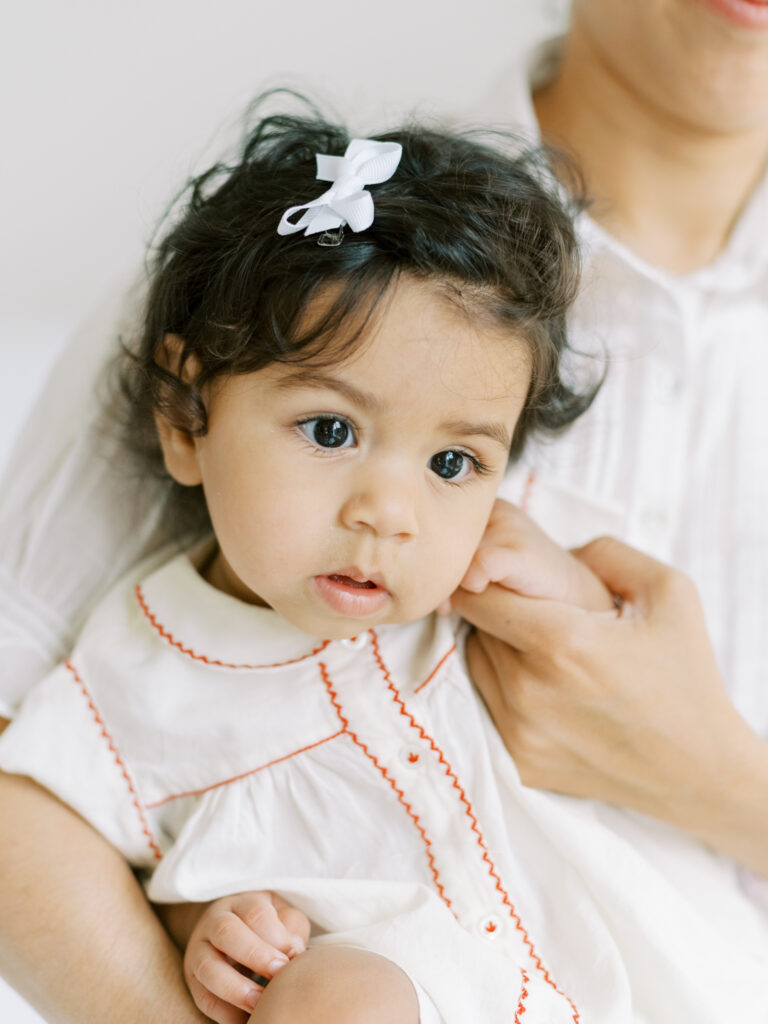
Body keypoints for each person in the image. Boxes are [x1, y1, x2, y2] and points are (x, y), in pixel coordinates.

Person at [1, 0, 767, 1020]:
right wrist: (203, 928)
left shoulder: (488, 558)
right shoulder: (280, 255)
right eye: (329, 432)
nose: (388, 513)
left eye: (453, 460)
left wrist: (713, 771)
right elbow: (73, 810)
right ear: (185, 417)